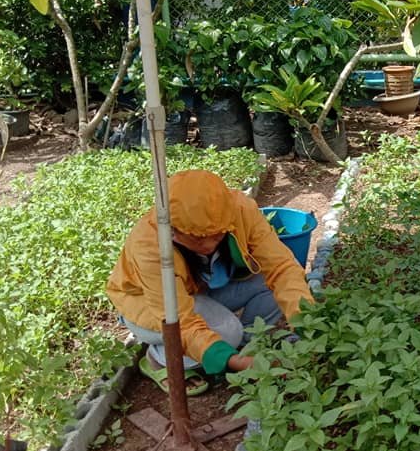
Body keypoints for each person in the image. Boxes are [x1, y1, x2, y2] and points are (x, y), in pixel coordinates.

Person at [107, 169, 314, 395]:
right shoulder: (149, 245)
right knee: (228, 331)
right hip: (147, 304)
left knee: (271, 280)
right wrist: (233, 362)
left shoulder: (240, 210)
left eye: (217, 235)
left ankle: (245, 346)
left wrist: (307, 323)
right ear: (174, 231)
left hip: (198, 290)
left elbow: (281, 267)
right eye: (196, 238)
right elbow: (180, 322)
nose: (208, 246)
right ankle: (157, 359)